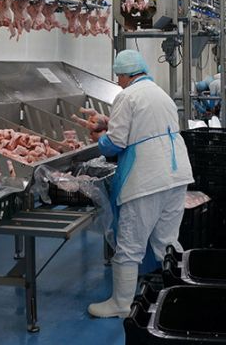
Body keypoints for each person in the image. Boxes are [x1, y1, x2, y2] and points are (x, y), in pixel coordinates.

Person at [87, 50, 194, 318]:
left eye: (119, 76)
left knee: (129, 244)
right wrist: (110, 123)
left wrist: (100, 140)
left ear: (126, 74)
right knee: (167, 241)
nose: (118, 81)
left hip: (148, 178)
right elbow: (146, 126)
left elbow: (116, 142)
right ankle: (182, 295)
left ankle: (121, 304)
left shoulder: (127, 96)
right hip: (176, 173)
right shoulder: (160, 93)